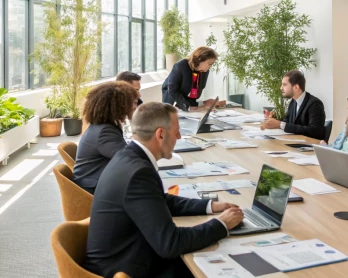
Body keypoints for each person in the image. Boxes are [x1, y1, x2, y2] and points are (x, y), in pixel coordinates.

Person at [85, 103, 244, 277]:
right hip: (126, 269)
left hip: (120, 257)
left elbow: (160, 200)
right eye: (176, 131)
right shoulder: (139, 173)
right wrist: (221, 224)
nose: (179, 136)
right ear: (160, 134)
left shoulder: (127, 156)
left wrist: (210, 206)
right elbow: (170, 244)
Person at [72, 81, 138, 195]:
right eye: (132, 103)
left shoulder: (101, 126)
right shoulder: (105, 132)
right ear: (119, 105)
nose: (134, 106)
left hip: (96, 182)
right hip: (94, 191)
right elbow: (129, 159)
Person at [260, 70, 326, 140]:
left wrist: (279, 124)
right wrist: (275, 120)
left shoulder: (315, 104)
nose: (281, 88)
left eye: (284, 84)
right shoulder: (293, 101)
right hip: (294, 143)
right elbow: (288, 122)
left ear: (296, 87)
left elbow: (315, 131)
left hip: (309, 147)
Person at [162, 46, 225, 111]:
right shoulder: (180, 66)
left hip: (184, 98)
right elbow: (173, 91)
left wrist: (205, 103)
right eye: (209, 64)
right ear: (200, 59)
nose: (209, 67)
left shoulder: (204, 71)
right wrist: (186, 106)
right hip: (171, 96)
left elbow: (195, 94)